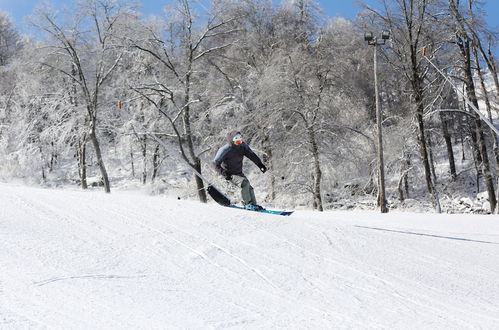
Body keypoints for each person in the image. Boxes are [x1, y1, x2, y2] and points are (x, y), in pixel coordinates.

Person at [213, 130, 267, 211]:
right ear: (232, 140)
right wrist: (224, 174)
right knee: (244, 183)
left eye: (240, 139)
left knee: (249, 187)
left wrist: (260, 164)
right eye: (237, 140)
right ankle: (247, 204)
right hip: (229, 174)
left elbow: (251, 155)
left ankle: (253, 205)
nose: (239, 142)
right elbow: (214, 164)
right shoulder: (225, 149)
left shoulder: (242, 146)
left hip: (238, 172)